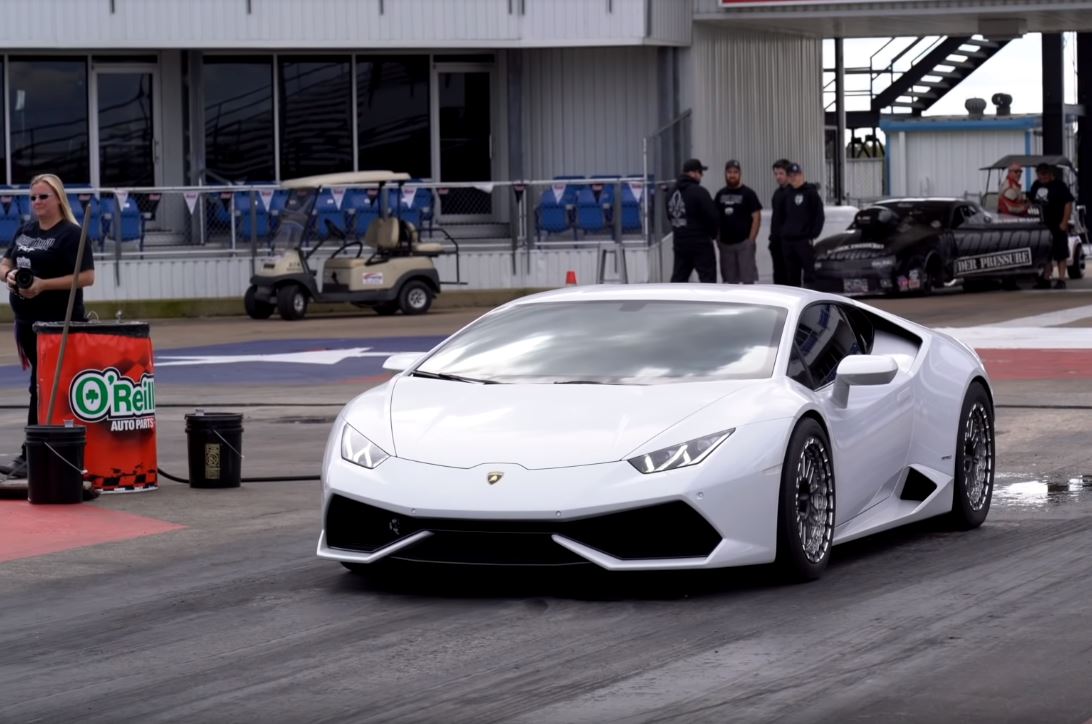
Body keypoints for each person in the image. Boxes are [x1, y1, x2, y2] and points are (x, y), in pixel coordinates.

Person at [0, 174, 95, 479]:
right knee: (39, 387)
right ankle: (33, 453)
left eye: (43, 197)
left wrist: (43, 285)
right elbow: (5, 263)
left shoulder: (71, 234)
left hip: (58, 324)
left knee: (43, 388)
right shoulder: (25, 230)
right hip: (27, 322)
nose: (37, 202)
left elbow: (87, 277)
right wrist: (9, 276)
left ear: (58, 199)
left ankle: (35, 454)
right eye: (33, 198)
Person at [666, 158, 718, 283]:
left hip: (680, 244)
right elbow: (712, 217)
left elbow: (670, 216)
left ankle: (675, 296)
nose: (702, 175)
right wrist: (713, 234)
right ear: (694, 173)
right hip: (701, 244)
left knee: (679, 280)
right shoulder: (700, 192)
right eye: (700, 172)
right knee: (708, 281)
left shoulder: (670, 193)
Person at [713, 159, 762, 283]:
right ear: (725, 174)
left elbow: (756, 217)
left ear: (740, 174)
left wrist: (751, 240)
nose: (732, 175)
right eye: (729, 172)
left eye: (735, 172)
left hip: (744, 245)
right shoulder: (720, 194)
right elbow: (715, 218)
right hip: (725, 246)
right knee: (729, 283)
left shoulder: (749, 193)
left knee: (748, 282)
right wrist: (718, 239)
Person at [778, 162, 825, 288]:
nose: (794, 178)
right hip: (788, 241)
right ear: (788, 178)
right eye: (791, 175)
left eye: (796, 174)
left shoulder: (811, 193)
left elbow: (819, 216)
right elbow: (779, 216)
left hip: (804, 241)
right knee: (792, 276)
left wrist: (812, 235)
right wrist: (782, 233)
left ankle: (810, 298)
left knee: (809, 275)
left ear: (802, 175)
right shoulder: (785, 194)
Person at [1029, 163, 1073, 290]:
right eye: (1039, 175)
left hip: (1057, 224)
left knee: (1061, 253)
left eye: (1044, 175)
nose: (1041, 178)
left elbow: (1068, 203)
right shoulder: (1036, 185)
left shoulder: (1059, 185)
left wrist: (1064, 222)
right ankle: (1046, 279)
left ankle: (1061, 280)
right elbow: (1031, 201)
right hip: (1042, 225)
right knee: (1045, 253)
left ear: (1049, 173)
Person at [768, 159, 791, 285]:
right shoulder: (777, 194)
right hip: (776, 243)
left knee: (790, 277)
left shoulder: (794, 193)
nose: (778, 177)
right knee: (778, 276)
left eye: (781, 173)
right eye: (776, 174)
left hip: (789, 243)